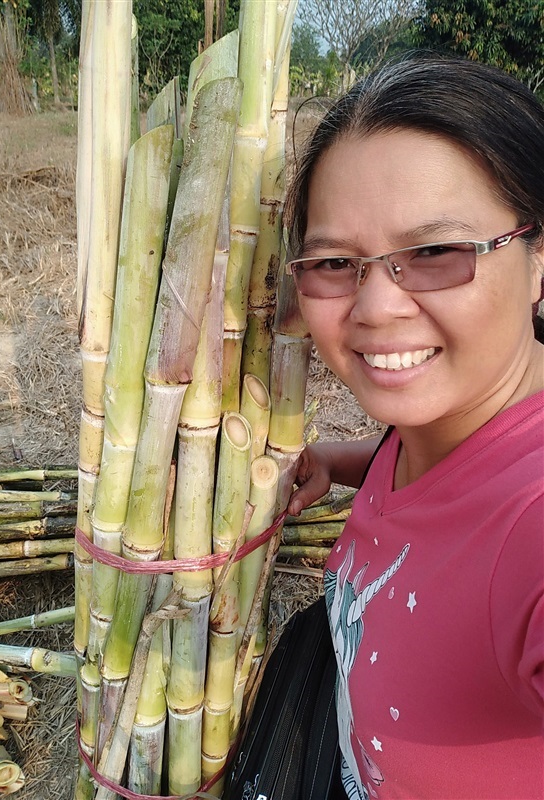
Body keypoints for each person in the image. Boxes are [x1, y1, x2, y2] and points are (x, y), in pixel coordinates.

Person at [284, 54, 544, 800]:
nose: (373, 310)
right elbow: (458, 485)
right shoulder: (438, 424)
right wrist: (342, 460)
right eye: (336, 262)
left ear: (536, 260)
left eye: (434, 253)